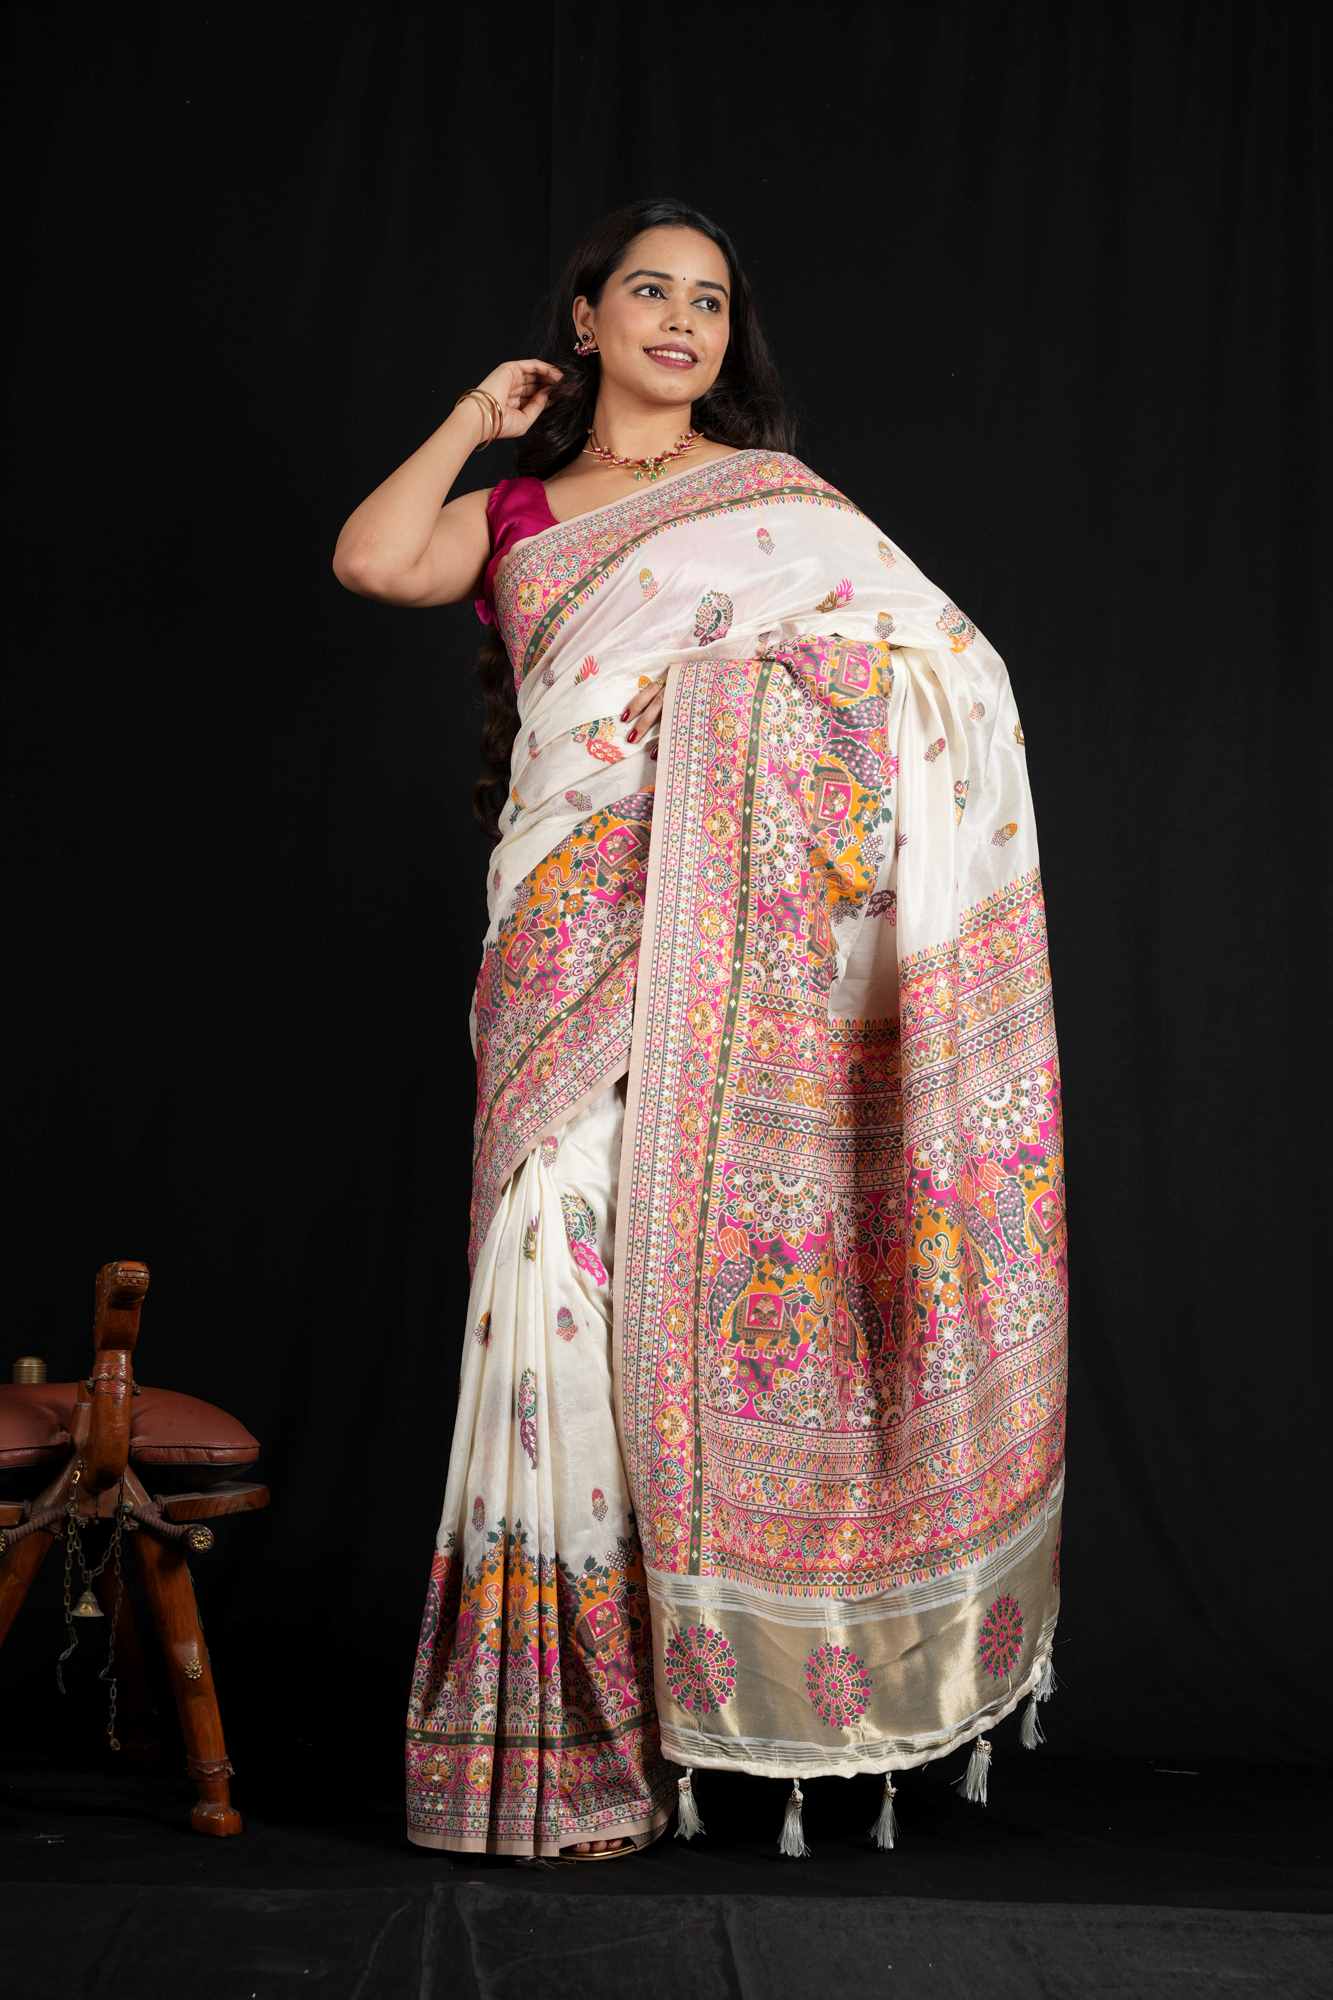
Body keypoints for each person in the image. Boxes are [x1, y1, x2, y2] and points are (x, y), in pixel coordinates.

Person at [333, 197, 1069, 1862]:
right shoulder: (516, 509)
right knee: (543, 1267)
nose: (682, 322)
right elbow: (373, 559)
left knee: (649, 1288)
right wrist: (475, 418)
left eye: (711, 303)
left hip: (719, 951)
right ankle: (552, 1738)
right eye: (650, 293)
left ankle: (661, 1723)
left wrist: (739, 711)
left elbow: (946, 674)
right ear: (583, 321)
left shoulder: (778, 505)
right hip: (558, 930)